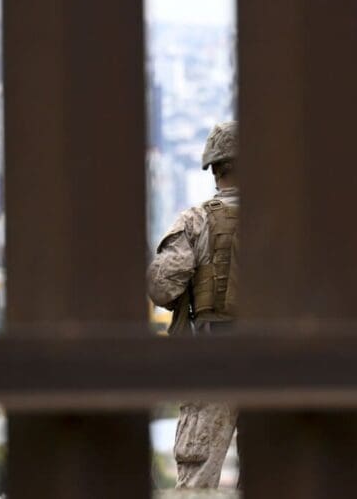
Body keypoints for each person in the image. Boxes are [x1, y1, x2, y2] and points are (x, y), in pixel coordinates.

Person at [148, 121, 240, 488]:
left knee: (197, 472)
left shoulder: (196, 219)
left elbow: (161, 288)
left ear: (215, 169)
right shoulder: (287, 219)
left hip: (215, 355)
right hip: (277, 358)